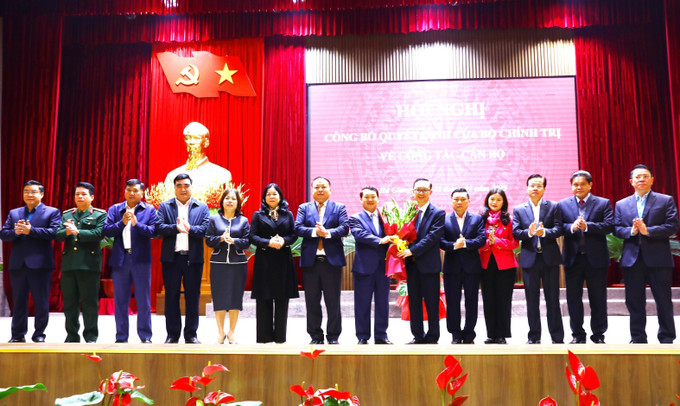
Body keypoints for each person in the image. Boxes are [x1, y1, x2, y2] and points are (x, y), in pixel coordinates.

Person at [614, 164, 679, 344]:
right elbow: (617, 229)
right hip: (632, 259)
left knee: (663, 300)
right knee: (634, 301)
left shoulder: (665, 200)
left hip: (659, 259)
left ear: (652, 180)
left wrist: (647, 230)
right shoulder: (621, 204)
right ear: (631, 181)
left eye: (645, 176)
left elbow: (672, 226)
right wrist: (632, 231)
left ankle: (666, 337)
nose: (641, 179)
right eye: (637, 177)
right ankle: (638, 337)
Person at [1, 180, 61, 343]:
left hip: (40, 265)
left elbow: (54, 233)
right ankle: (17, 334)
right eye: (26, 191)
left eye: (33, 192)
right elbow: (4, 234)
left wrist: (31, 230)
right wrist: (16, 232)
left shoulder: (52, 212)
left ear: (42, 194)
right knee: (19, 301)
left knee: (41, 301)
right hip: (18, 264)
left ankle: (39, 334)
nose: (29, 194)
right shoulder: (14, 213)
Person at [558, 170, 613, 344]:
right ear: (571, 186)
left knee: (598, 298)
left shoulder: (603, 203)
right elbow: (558, 227)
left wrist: (587, 226)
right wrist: (572, 227)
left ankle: (598, 334)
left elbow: (609, 226)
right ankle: (577, 334)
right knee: (573, 299)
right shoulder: (562, 204)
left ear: (590, 185)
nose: (579, 187)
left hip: (596, 259)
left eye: (582, 184)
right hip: (573, 259)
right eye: (575, 184)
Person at [156, 173, 210, 344]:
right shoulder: (165, 206)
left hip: (193, 259)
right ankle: (172, 334)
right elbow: (158, 227)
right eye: (179, 185)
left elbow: (206, 229)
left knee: (193, 297)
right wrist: (176, 228)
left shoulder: (201, 207)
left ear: (191, 187)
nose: (183, 189)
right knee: (171, 297)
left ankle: (191, 334)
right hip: (171, 258)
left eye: (186, 185)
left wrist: (189, 228)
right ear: (174, 188)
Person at [294, 176, 349, 345]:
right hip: (311, 262)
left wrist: (327, 233)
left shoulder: (339, 207)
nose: (320, 189)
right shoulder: (304, 208)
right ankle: (315, 336)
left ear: (330, 190)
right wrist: (314, 232)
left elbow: (344, 228)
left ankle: (333, 336)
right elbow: (297, 227)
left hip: (331, 262)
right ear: (312, 190)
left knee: (333, 301)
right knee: (312, 301)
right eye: (316, 187)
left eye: (323, 187)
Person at [102, 179, 156, 344]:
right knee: (120, 300)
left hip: (141, 260)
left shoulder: (149, 210)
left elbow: (153, 231)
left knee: (143, 299)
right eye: (128, 190)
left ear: (142, 193)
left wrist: (136, 224)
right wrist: (122, 223)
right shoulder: (115, 209)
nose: (132, 193)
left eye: (135, 190)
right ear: (125, 192)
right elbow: (106, 230)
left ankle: (145, 336)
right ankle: (121, 336)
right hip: (121, 258)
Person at [512, 174, 565, 344]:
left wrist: (545, 232)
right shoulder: (519, 209)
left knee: (553, 299)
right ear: (527, 188)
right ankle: (534, 337)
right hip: (530, 260)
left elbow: (559, 229)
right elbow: (516, 233)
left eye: (539, 185)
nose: (535, 188)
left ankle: (557, 337)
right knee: (532, 300)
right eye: (532, 185)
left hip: (549, 258)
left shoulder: (553, 206)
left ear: (544, 188)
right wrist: (528, 233)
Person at [55, 182, 106, 343]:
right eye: (77, 194)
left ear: (92, 197)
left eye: (84, 194)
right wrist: (66, 232)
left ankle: (90, 336)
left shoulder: (99, 214)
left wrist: (78, 232)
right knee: (70, 303)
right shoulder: (67, 214)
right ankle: (72, 336)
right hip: (69, 264)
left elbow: (99, 233)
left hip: (89, 264)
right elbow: (57, 234)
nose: (80, 197)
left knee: (89, 303)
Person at [397, 178, 445, 344]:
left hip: (429, 265)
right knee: (414, 303)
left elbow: (432, 237)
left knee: (432, 302)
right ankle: (417, 336)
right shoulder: (409, 212)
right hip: (411, 265)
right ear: (413, 191)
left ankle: (432, 336)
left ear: (431, 192)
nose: (421, 193)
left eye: (425, 190)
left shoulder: (438, 213)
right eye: (418, 190)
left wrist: (412, 250)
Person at [250, 183, 299, 344]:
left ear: (280, 197)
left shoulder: (288, 214)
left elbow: (294, 235)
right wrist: (268, 242)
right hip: (264, 260)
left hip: (283, 259)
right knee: (263, 299)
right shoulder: (258, 215)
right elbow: (252, 236)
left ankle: (280, 337)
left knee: (282, 299)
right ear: (264, 197)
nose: (272, 196)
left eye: (275, 194)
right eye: (268, 194)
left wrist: (284, 240)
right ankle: (264, 338)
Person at [348, 186, 395, 345]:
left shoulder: (386, 218)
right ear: (361, 199)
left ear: (378, 198)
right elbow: (359, 234)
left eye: (373, 196)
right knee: (362, 303)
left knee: (383, 303)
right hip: (364, 268)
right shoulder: (355, 218)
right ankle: (362, 336)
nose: (370, 199)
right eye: (366, 197)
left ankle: (381, 335)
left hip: (383, 267)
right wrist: (380, 240)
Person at [440, 188, 486, 344]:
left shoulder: (477, 219)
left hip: (471, 268)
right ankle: (455, 334)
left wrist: (465, 243)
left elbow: (481, 239)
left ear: (468, 201)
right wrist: (454, 245)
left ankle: (469, 334)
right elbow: (440, 241)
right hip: (451, 268)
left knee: (471, 302)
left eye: (462, 199)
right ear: (451, 201)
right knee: (452, 302)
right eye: (456, 199)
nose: (459, 202)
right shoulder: (444, 219)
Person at [205, 188, 250, 344]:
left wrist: (235, 241)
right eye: (227, 198)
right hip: (218, 263)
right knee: (219, 298)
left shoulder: (243, 221)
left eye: (233, 198)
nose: (230, 201)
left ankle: (231, 332)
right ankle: (220, 332)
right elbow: (208, 240)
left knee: (235, 298)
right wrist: (221, 239)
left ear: (238, 203)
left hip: (238, 263)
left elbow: (247, 241)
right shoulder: (214, 219)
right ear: (222, 201)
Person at [479, 187, 519, 344]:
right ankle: (491, 334)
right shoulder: (480, 219)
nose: (494, 202)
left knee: (503, 300)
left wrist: (497, 242)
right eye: (492, 199)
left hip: (505, 266)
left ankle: (502, 334)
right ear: (487, 200)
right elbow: (476, 242)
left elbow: (514, 243)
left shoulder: (509, 220)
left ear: (504, 202)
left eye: (498, 200)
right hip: (485, 264)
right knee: (488, 300)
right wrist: (487, 243)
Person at [164, 122, 232, 191]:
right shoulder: (173, 175)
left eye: (196, 138)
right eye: (188, 138)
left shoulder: (222, 175)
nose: (191, 142)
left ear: (206, 142)